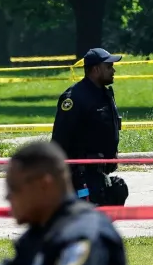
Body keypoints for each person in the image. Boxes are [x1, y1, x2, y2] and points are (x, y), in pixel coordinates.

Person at [51, 47, 128, 207]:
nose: (113, 70)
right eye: (108, 67)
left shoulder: (104, 95)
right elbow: (59, 140)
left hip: (99, 172)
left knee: (118, 190)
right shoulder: (75, 98)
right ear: (96, 69)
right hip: (81, 175)